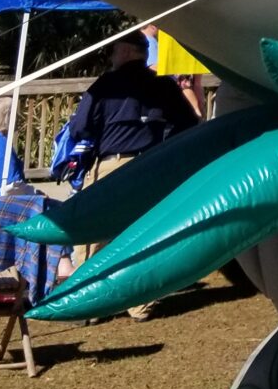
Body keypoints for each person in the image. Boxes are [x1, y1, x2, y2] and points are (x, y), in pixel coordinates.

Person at [64, 35, 199, 319]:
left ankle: (90, 305)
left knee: (93, 232)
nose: (112, 55)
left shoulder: (105, 85)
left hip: (112, 165)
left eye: (114, 50)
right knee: (144, 235)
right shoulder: (162, 85)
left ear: (125, 51)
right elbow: (189, 122)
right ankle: (139, 304)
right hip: (152, 166)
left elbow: (80, 128)